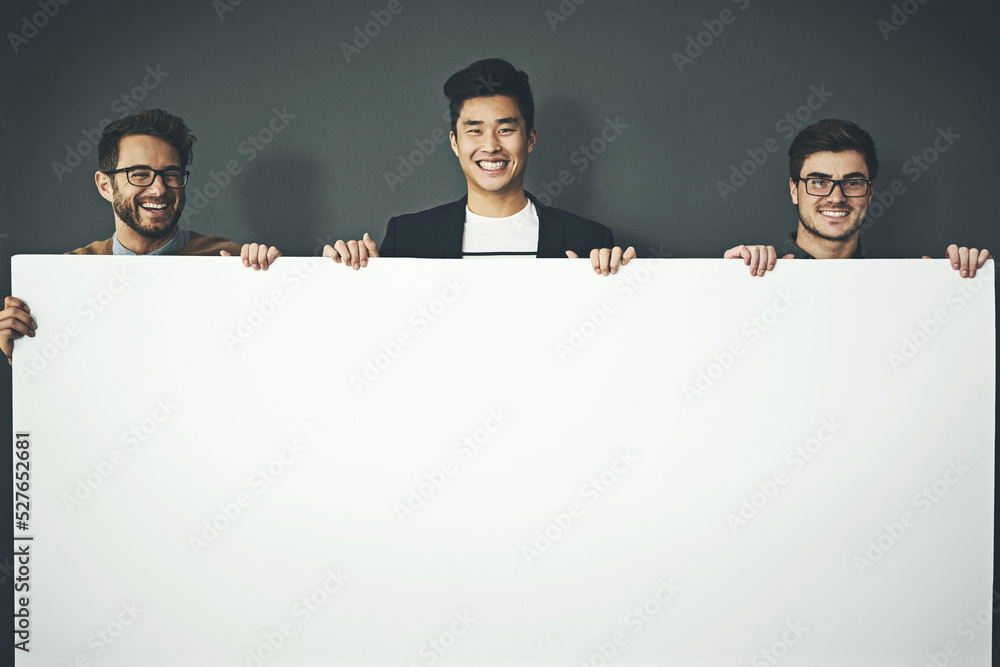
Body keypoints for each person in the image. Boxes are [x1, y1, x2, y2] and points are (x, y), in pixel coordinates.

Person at [0, 108, 281, 364]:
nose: (159, 189)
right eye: (139, 174)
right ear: (105, 186)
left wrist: (278, 282)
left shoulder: (228, 259)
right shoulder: (65, 275)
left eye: (171, 174)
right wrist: (24, 355)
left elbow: (265, 363)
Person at [325, 58, 635, 276]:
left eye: (505, 129)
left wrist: (620, 282)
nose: (490, 146)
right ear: (454, 142)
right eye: (474, 129)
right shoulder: (408, 237)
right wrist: (351, 276)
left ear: (530, 138)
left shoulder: (589, 240)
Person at [724, 118, 988, 277]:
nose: (836, 197)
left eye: (852, 182)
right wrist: (722, 283)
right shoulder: (749, 274)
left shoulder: (900, 282)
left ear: (871, 191)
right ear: (794, 189)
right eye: (818, 182)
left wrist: (957, 282)